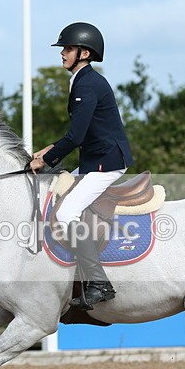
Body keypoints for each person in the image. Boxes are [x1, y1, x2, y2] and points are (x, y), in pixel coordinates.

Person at [29, 22, 134, 309]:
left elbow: (76, 136)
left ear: (84, 53)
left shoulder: (87, 84)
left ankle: (99, 282)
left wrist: (47, 159)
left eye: (68, 48)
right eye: (64, 48)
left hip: (106, 163)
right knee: (53, 193)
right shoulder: (82, 80)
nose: (62, 53)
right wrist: (48, 150)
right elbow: (82, 133)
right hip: (94, 159)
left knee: (66, 214)